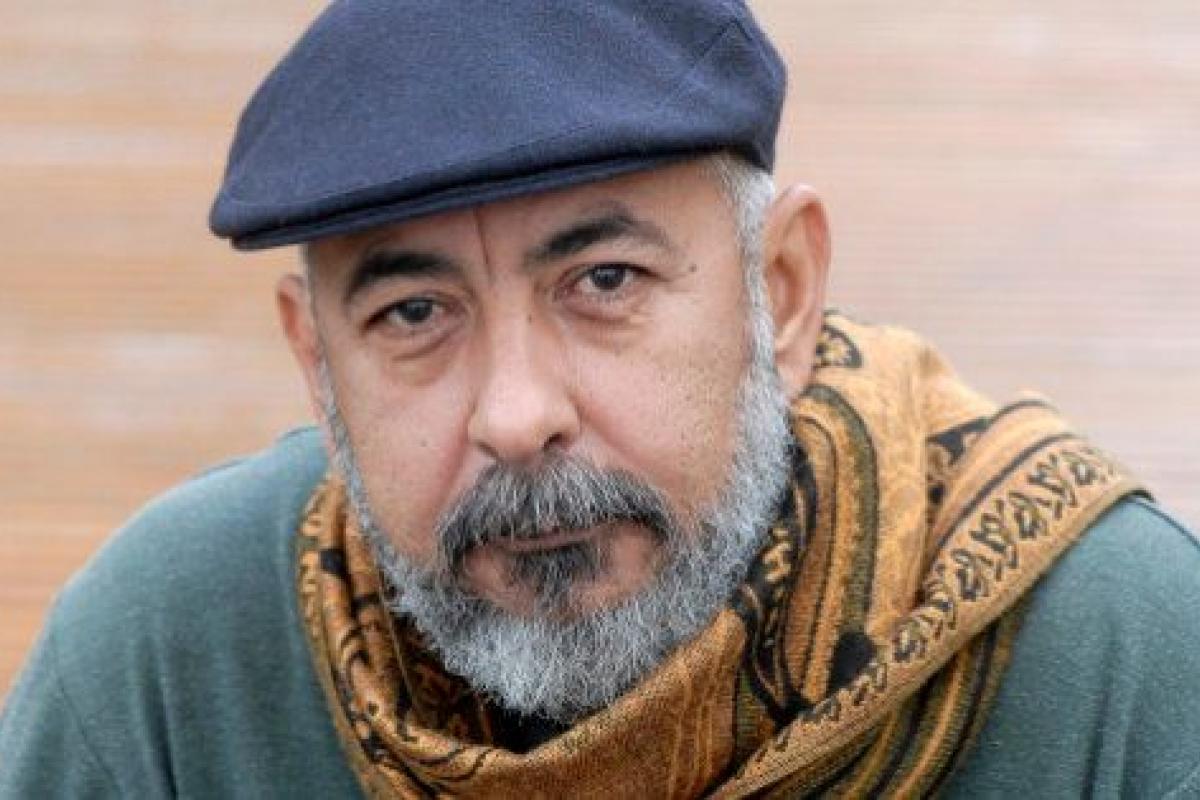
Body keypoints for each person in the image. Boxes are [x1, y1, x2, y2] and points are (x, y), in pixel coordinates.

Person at [2, 1, 1198, 796]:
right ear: (319, 365)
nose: (516, 414)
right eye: (413, 313)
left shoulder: (1118, 658)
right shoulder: (168, 666)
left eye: (605, 281)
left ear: (780, 294)